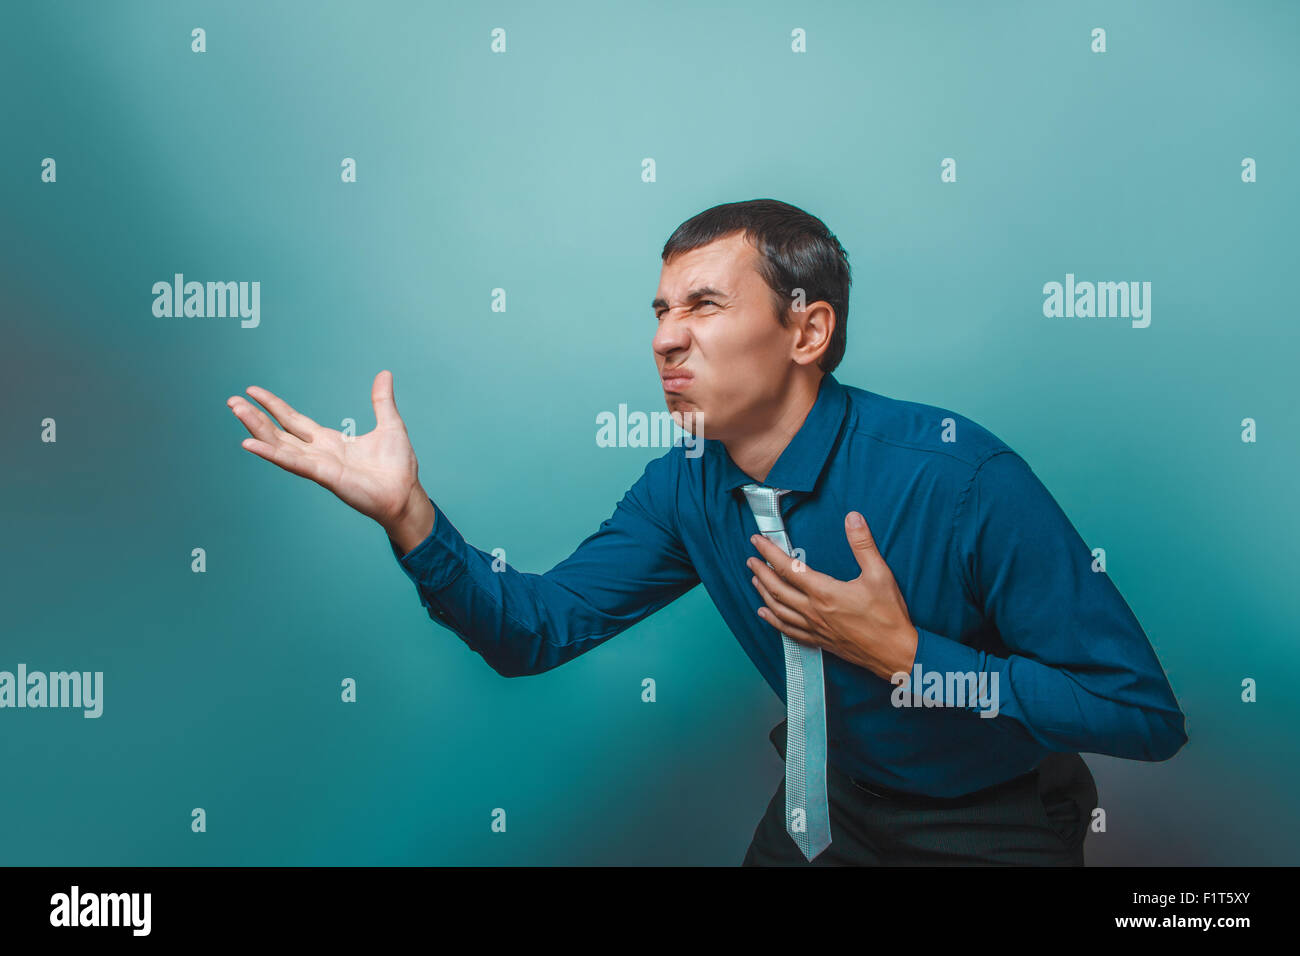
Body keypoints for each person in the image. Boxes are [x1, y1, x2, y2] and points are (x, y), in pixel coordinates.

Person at [225, 198, 1187, 866]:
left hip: (991, 829)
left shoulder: (962, 478)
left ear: (807, 334)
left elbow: (1143, 716)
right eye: (659, 311)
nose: (664, 338)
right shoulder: (686, 487)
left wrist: (910, 656)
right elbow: (536, 631)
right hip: (827, 814)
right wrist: (410, 518)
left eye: (703, 306)